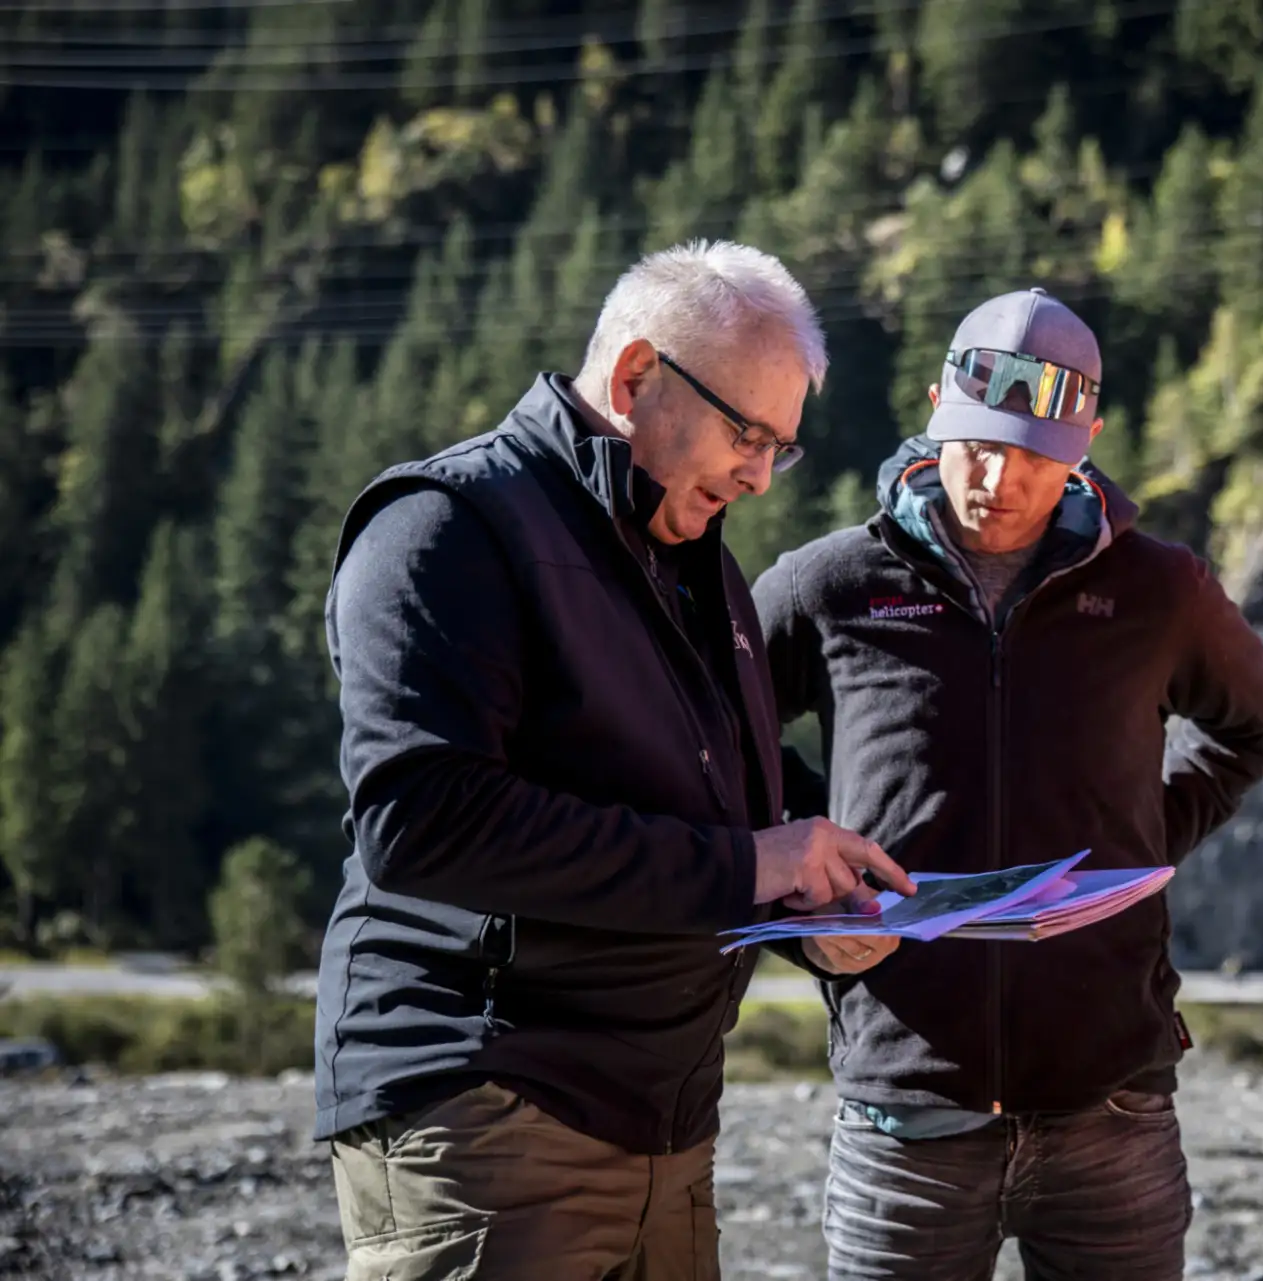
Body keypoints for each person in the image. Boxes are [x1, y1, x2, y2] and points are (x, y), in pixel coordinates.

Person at [312, 238, 914, 1280]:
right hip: (491, 1108)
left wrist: (815, 911)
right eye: (746, 432)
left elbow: (723, 804)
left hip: (668, 1125)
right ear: (637, 376)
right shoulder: (446, 526)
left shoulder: (698, 566)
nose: (761, 476)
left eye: (783, 447)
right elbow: (422, 820)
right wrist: (755, 868)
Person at [751, 286, 1263, 1280]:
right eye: (976, 446)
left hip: (1113, 1108)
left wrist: (1144, 840)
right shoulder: (826, 585)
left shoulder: (1159, 590)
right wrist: (802, 877)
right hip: (900, 1108)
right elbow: (715, 738)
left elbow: (1252, 725)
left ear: (1084, 439)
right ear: (933, 412)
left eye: (1036, 456)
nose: (998, 479)